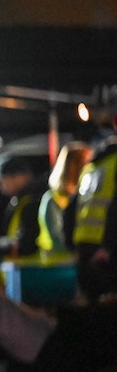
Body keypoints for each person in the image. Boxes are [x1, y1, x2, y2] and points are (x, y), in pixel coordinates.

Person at [76, 124, 117, 301]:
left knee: (92, 303)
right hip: (107, 245)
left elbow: (71, 210)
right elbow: (114, 209)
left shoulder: (89, 169)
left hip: (83, 244)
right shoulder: (114, 164)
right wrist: (108, 246)